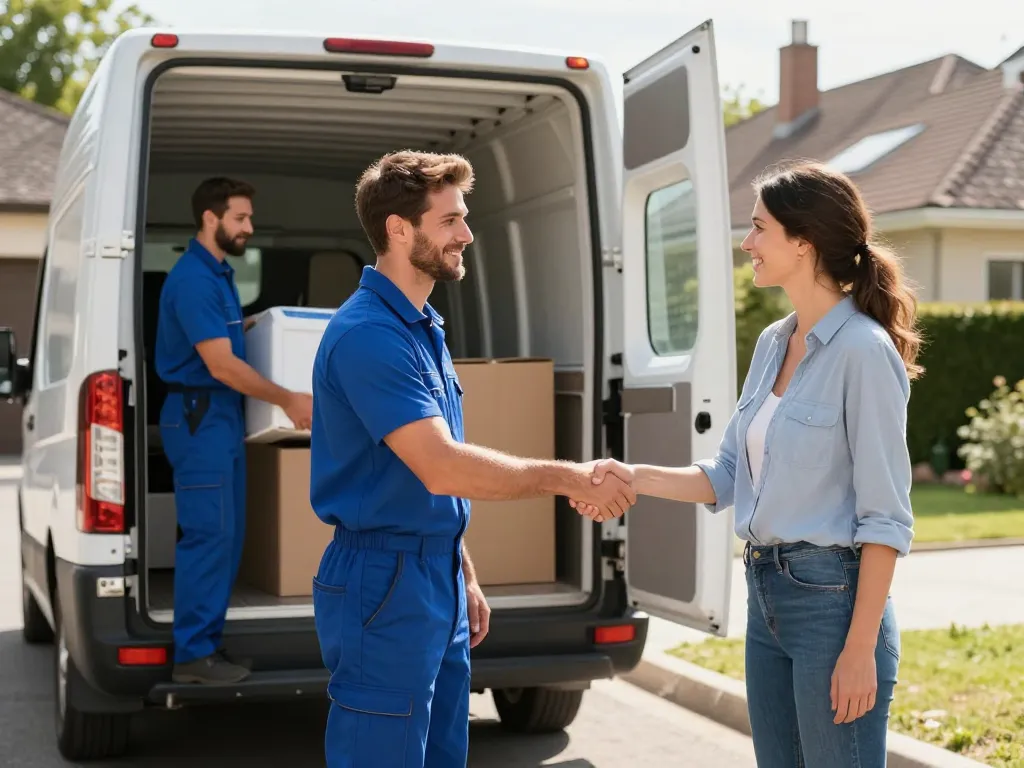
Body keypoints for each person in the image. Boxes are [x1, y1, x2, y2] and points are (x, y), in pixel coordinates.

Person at [573, 161, 920, 768]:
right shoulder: (770, 344)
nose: (747, 242)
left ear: (804, 244)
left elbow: (886, 516)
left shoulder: (864, 353)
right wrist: (634, 476)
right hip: (766, 596)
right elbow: (728, 472)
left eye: (759, 228)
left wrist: (860, 647)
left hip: (833, 605)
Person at [308, 150, 635, 768]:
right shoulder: (369, 335)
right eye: (451, 219)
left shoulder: (421, 326)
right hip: (384, 583)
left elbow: (425, 480)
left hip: (434, 574)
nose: (467, 233)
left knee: (441, 755)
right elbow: (442, 465)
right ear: (399, 231)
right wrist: (569, 476)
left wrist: (463, 570)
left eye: (464, 217)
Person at [156, 177, 314, 685]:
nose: (249, 227)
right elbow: (221, 365)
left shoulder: (218, 274)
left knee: (226, 536)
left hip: (217, 416)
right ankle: (193, 657)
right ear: (211, 219)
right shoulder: (195, 280)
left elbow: (225, 342)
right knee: (209, 536)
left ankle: (207, 647)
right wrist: (288, 398)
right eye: (240, 218)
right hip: (201, 415)